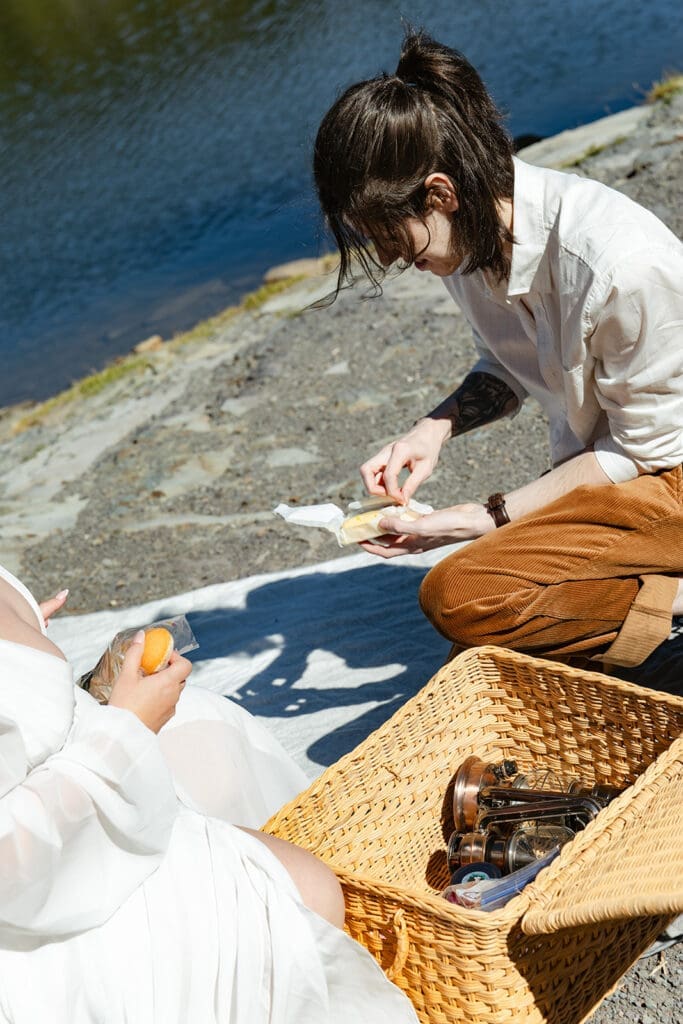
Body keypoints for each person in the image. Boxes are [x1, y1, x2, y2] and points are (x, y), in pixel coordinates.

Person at [313, 30, 683, 692]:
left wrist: (474, 518)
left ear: (439, 193)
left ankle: (668, 618)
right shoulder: (470, 240)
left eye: (393, 238)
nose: (397, 259)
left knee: (458, 595)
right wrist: (433, 429)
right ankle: (645, 612)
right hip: (617, 471)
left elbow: (641, 453)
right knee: (473, 631)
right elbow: (511, 362)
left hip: (666, 471)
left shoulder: (619, 264)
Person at [0, 564, 418, 1023]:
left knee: (204, 720)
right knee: (304, 896)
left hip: (67, 802)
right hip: (43, 904)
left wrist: (32, 655)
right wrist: (126, 729)